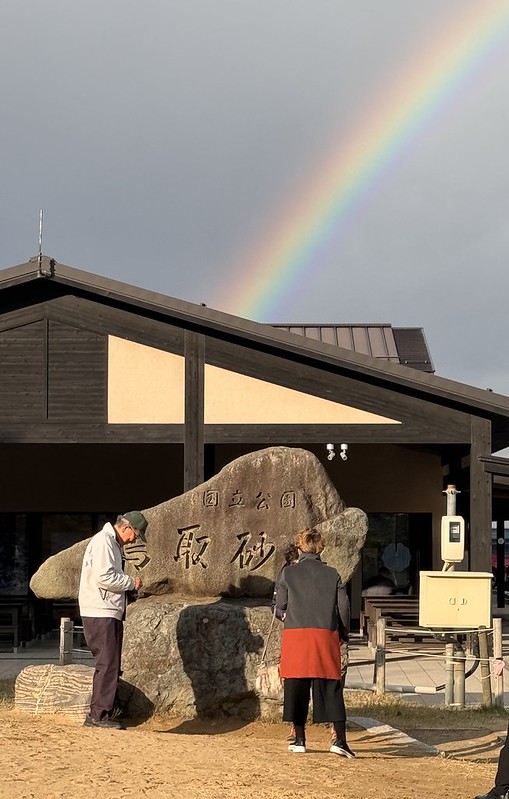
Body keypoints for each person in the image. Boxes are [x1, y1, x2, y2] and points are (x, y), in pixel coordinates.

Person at [275, 527, 353, 757]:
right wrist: (343, 633)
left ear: (299, 548)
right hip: (324, 634)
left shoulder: (289, 573)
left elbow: (281, 603)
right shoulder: (332, 574)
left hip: (296, 634)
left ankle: (299, 738)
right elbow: (344, 608)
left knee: (296, 685)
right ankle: (338, 739)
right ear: (321, 548)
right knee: (330, 685)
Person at [78, 510, 148, 729]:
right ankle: (98, 716)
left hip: (106, 609)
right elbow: (104, 577)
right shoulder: (104, 542)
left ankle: (100, 713)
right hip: (101, 610)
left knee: (109, 664)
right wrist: (130, 582)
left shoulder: (111, 543)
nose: (135, 539)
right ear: (126, 527)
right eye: (136, 534)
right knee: (107, 664)